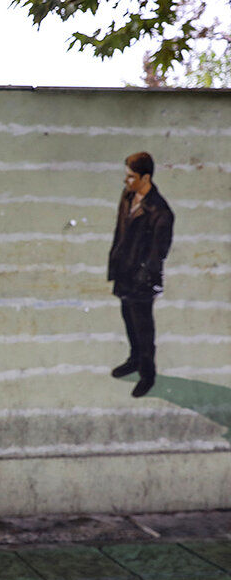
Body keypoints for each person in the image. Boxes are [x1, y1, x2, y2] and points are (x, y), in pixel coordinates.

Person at [107, 151, 174, 398]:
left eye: (131, 177)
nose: (126, 181)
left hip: (143, 282)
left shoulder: (161, 212)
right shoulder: (127, 197)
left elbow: (158, 254)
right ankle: (134, 360)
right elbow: (120, 233)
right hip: (125, 274)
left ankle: (148, 375)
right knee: (128, 320)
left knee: (144, 328)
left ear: (146, 177)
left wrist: (142, 279)